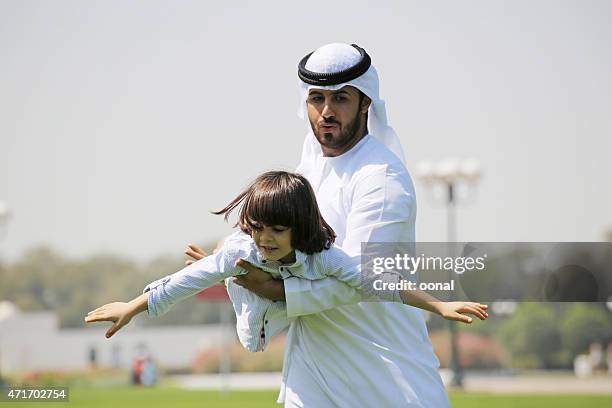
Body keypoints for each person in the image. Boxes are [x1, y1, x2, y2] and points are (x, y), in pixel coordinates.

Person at [186, 43, 463, 407]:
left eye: (341, 98)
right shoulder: (307, 171)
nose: (327, 111)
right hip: (312, 380)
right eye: (317, 98)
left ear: (366, 101)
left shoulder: (381, 179)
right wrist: (232, 268)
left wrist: (272, 290)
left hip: (385, 384)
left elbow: (358, 282)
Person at [84, 171, 487, 352]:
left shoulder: (326, 258)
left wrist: (438, 305)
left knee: (339, 284)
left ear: (300, 227)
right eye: (257, 227)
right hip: (250, 306)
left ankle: (234, 275)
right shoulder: (246, 248)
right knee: (231, 274)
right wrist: (132, 308)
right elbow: (181, 285)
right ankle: (228, 273)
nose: (264, 239)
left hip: (280, 308)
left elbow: (381, 283)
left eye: (276, 230)